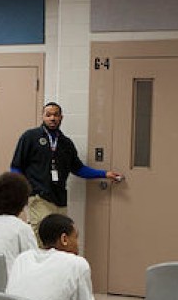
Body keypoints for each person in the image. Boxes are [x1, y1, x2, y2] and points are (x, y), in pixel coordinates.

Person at [10, 102, 124, 239]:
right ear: (43, 117)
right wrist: (22, 193)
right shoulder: (30, 137)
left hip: (59, 198)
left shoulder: (66, 143)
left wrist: (104, 174)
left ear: (61, 117)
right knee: (42, 237)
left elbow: (79, 168)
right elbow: (16, 167)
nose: (52, 118)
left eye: (56, 115)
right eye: (48, 115)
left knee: (58, 238)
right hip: (38, 197)